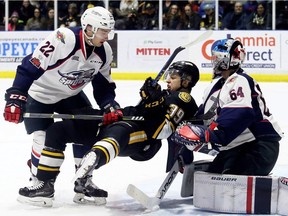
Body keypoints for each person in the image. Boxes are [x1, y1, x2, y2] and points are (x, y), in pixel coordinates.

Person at [16, 61, 200, 207]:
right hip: (125, 124)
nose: (168, 80)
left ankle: (95, 157)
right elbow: (138, 111)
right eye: (168, 76)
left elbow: (161, 130)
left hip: (142, 140)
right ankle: (45, 187)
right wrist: (116, 111)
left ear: (186, 81)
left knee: (117, 132)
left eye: (173, 77)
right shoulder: (164, 95)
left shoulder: (183, 100)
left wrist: (154, 103)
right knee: (58, 131)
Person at [3, 6, 123, 199]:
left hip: (69, 95)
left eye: (108, 31)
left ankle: (82, 181)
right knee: (42, 137)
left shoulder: (105, 52)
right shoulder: (64, 38)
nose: (107, 36)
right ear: (89, 28)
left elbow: (103, 87)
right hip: (41, 92)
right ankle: (40, 182)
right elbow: (29, 67)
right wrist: (16, 97)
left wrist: (109, 104)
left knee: (87, 128)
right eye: (103, 31)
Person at [172, 38, 284, 176]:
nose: (213, 60)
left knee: (227, 181)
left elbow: (240, 115)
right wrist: (185, 144)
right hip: (236, 147)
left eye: (216, 57)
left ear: (225, 59)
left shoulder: (240, 80)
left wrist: (208, 134)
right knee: (213, 178)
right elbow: (203, 118)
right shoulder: (215, 86)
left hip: (259, 147)